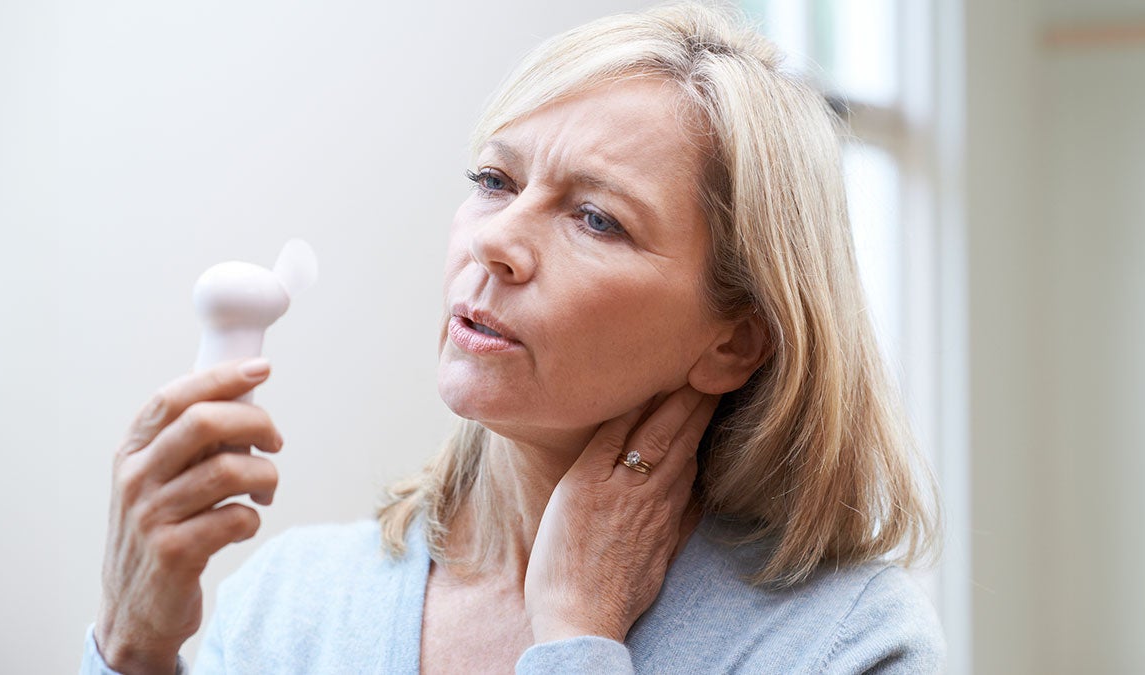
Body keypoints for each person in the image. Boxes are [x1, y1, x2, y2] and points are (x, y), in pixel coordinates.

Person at [81, 3, 945, 673]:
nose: (495, 240)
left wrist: (578, 636)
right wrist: (133, 646)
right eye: (495, 179)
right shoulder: (292, 603)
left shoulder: (841, 640)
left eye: (597, 218)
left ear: (736, 340)